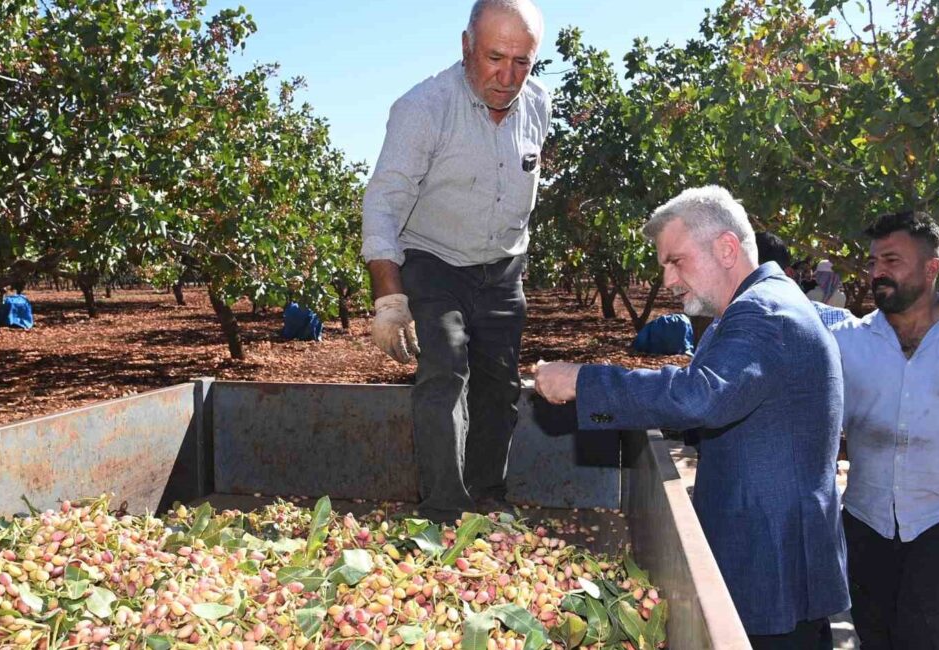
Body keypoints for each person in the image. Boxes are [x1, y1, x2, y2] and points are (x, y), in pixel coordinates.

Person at [534, 186, 849, 648]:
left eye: (675, 261)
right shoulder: (757, 306)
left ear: (726, 248)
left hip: (770, 562)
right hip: (771, 549)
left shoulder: (763, 313)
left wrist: (582, 381)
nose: (666, 280)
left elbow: (700, 396)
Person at [360, 0, 550, 523]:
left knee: (501, 384)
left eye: (521, 62)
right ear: (466, 45)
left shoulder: (539, 104)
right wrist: (390, 298)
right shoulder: (423, 108)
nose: (507, 76)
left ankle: (489, 494)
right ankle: (443, 512)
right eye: (494, 57)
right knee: (443, 369)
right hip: (435, 261)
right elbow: (384, 199)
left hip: (503, 269)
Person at [830, 211, 939, 650]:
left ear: (931, 268)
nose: (878, 272)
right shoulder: (850, 341)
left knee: (925, 636)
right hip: (866, 516)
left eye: (892, 260)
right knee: (873, 632)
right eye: (873, 263)